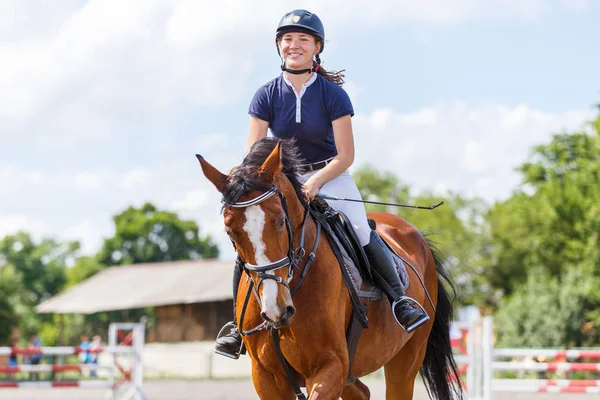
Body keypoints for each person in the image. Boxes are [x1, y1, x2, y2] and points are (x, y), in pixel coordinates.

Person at [214, 9, 429, 359]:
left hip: (330, 175)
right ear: (278, 46)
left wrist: (314, 182)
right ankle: (238, 327)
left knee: (360, 230)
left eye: (302, 39)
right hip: (281, 179)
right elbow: (255, 153)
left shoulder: (333, 94)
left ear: (317, 47)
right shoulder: (265, 95)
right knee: (257, 238)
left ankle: (399, 300)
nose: (293, 45)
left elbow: (346, 155)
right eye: (287, 39)